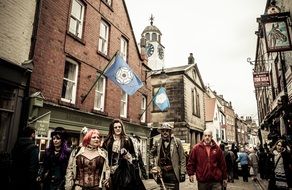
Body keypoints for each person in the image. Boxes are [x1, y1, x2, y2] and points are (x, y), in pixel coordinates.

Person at [102, 118, 145, 190]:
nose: (118, 129)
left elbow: (134, 155)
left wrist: (127, 155)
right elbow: (103, 155)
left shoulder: (127, 139)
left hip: (124, 171)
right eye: (115, 127)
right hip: (110, 172)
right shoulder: (107, 140)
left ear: (122, 128)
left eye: (119, 127)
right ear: (112, 129)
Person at [149, 123, 186, 190]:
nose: (165, 133)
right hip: (162, 173)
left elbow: (182, 158)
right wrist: (153, 165)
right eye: (163, 131)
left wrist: (182, 172)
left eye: (167, 131)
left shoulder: (177, 142)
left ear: (170, 132)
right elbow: (151, 154)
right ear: (161, 133)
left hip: (173, 173)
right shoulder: (158, 142)